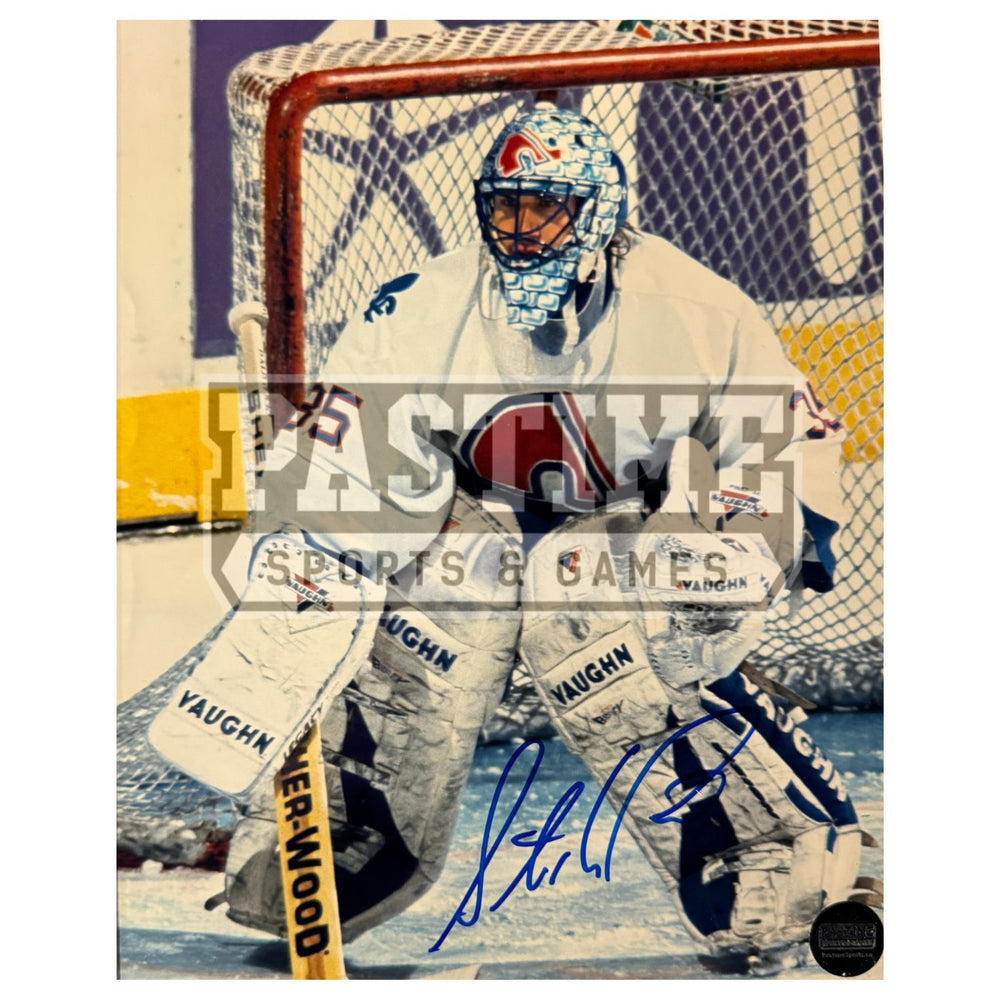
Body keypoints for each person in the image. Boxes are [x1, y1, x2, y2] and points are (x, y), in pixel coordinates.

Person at [211, 105, 864, 973]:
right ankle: (321, 855)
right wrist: (307, 545)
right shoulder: (423, 304)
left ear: (599, 216)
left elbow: (790, 436)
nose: (519, 228)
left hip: (621, 516)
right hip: (465, 511)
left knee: (628, 656)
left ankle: (774, 858)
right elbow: (351, 444)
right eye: (505, 205)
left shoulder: (694, 307)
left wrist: (749, 548)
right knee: (409, 656)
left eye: (544, 207)